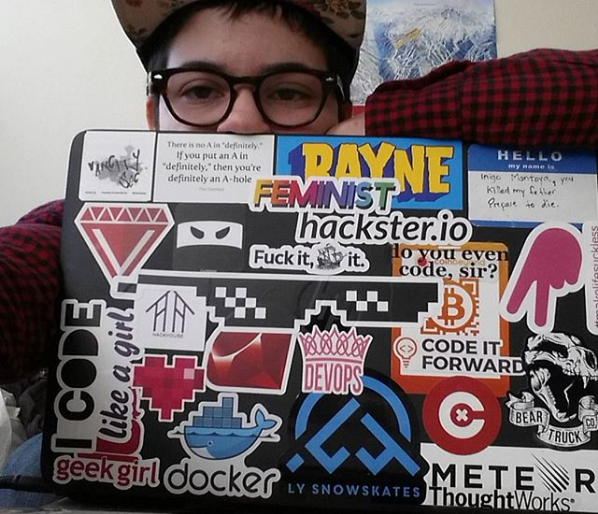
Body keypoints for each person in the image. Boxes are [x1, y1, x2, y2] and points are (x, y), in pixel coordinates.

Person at [0, 0, 597, 506]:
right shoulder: (96, 214)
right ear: (156, 117)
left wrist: (385, 123)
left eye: (287, 93)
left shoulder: (401, 198)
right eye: (200, 91)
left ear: (339, 114)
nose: (241, 122)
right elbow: (23, 269)